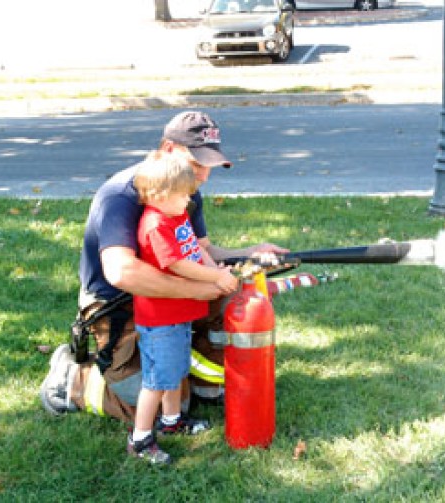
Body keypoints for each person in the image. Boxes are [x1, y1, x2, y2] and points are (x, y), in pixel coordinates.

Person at [39, 110, 288, 426]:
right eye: (197, 164)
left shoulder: (182, 191)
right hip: (118, 305)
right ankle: (73, 380)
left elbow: (203, 251)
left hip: (169, 296)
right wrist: (203, 287)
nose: (204, 176)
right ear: (170, 149)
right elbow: (122, 272)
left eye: (209, 166)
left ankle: (205, 386)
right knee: (162, 407)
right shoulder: (120, 195)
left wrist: (248, 256)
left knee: (234, 300)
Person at [128, 152, 240, 464]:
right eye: (183, 195)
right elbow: (178, 265)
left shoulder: (176, 216)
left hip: (178, 317)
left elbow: (195, 250)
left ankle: (172, 421)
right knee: (157, 381)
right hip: (160, 321)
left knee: (176, 373)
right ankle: (140, 439)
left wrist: (216, 269)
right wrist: (216, 278)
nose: (188, 201)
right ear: (160, 195)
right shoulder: (155, 226)